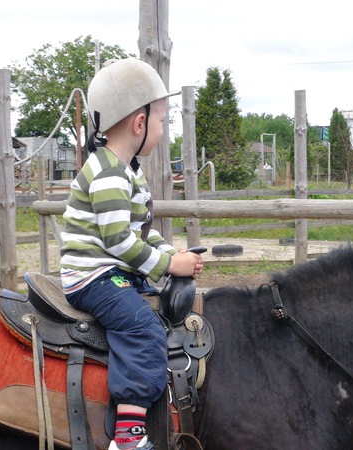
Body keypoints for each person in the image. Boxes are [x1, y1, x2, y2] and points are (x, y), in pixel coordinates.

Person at [60, 58, 204, 450]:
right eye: (161, 120)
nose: (162, 128)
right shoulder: (107, 174)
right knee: (142, 329)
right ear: (139, 124)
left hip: (111, 269)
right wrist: (169, 264)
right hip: (92, 277)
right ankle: (128, 435)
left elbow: (140, 231)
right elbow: (118, 242)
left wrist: (170, 251)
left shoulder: (126, 171)